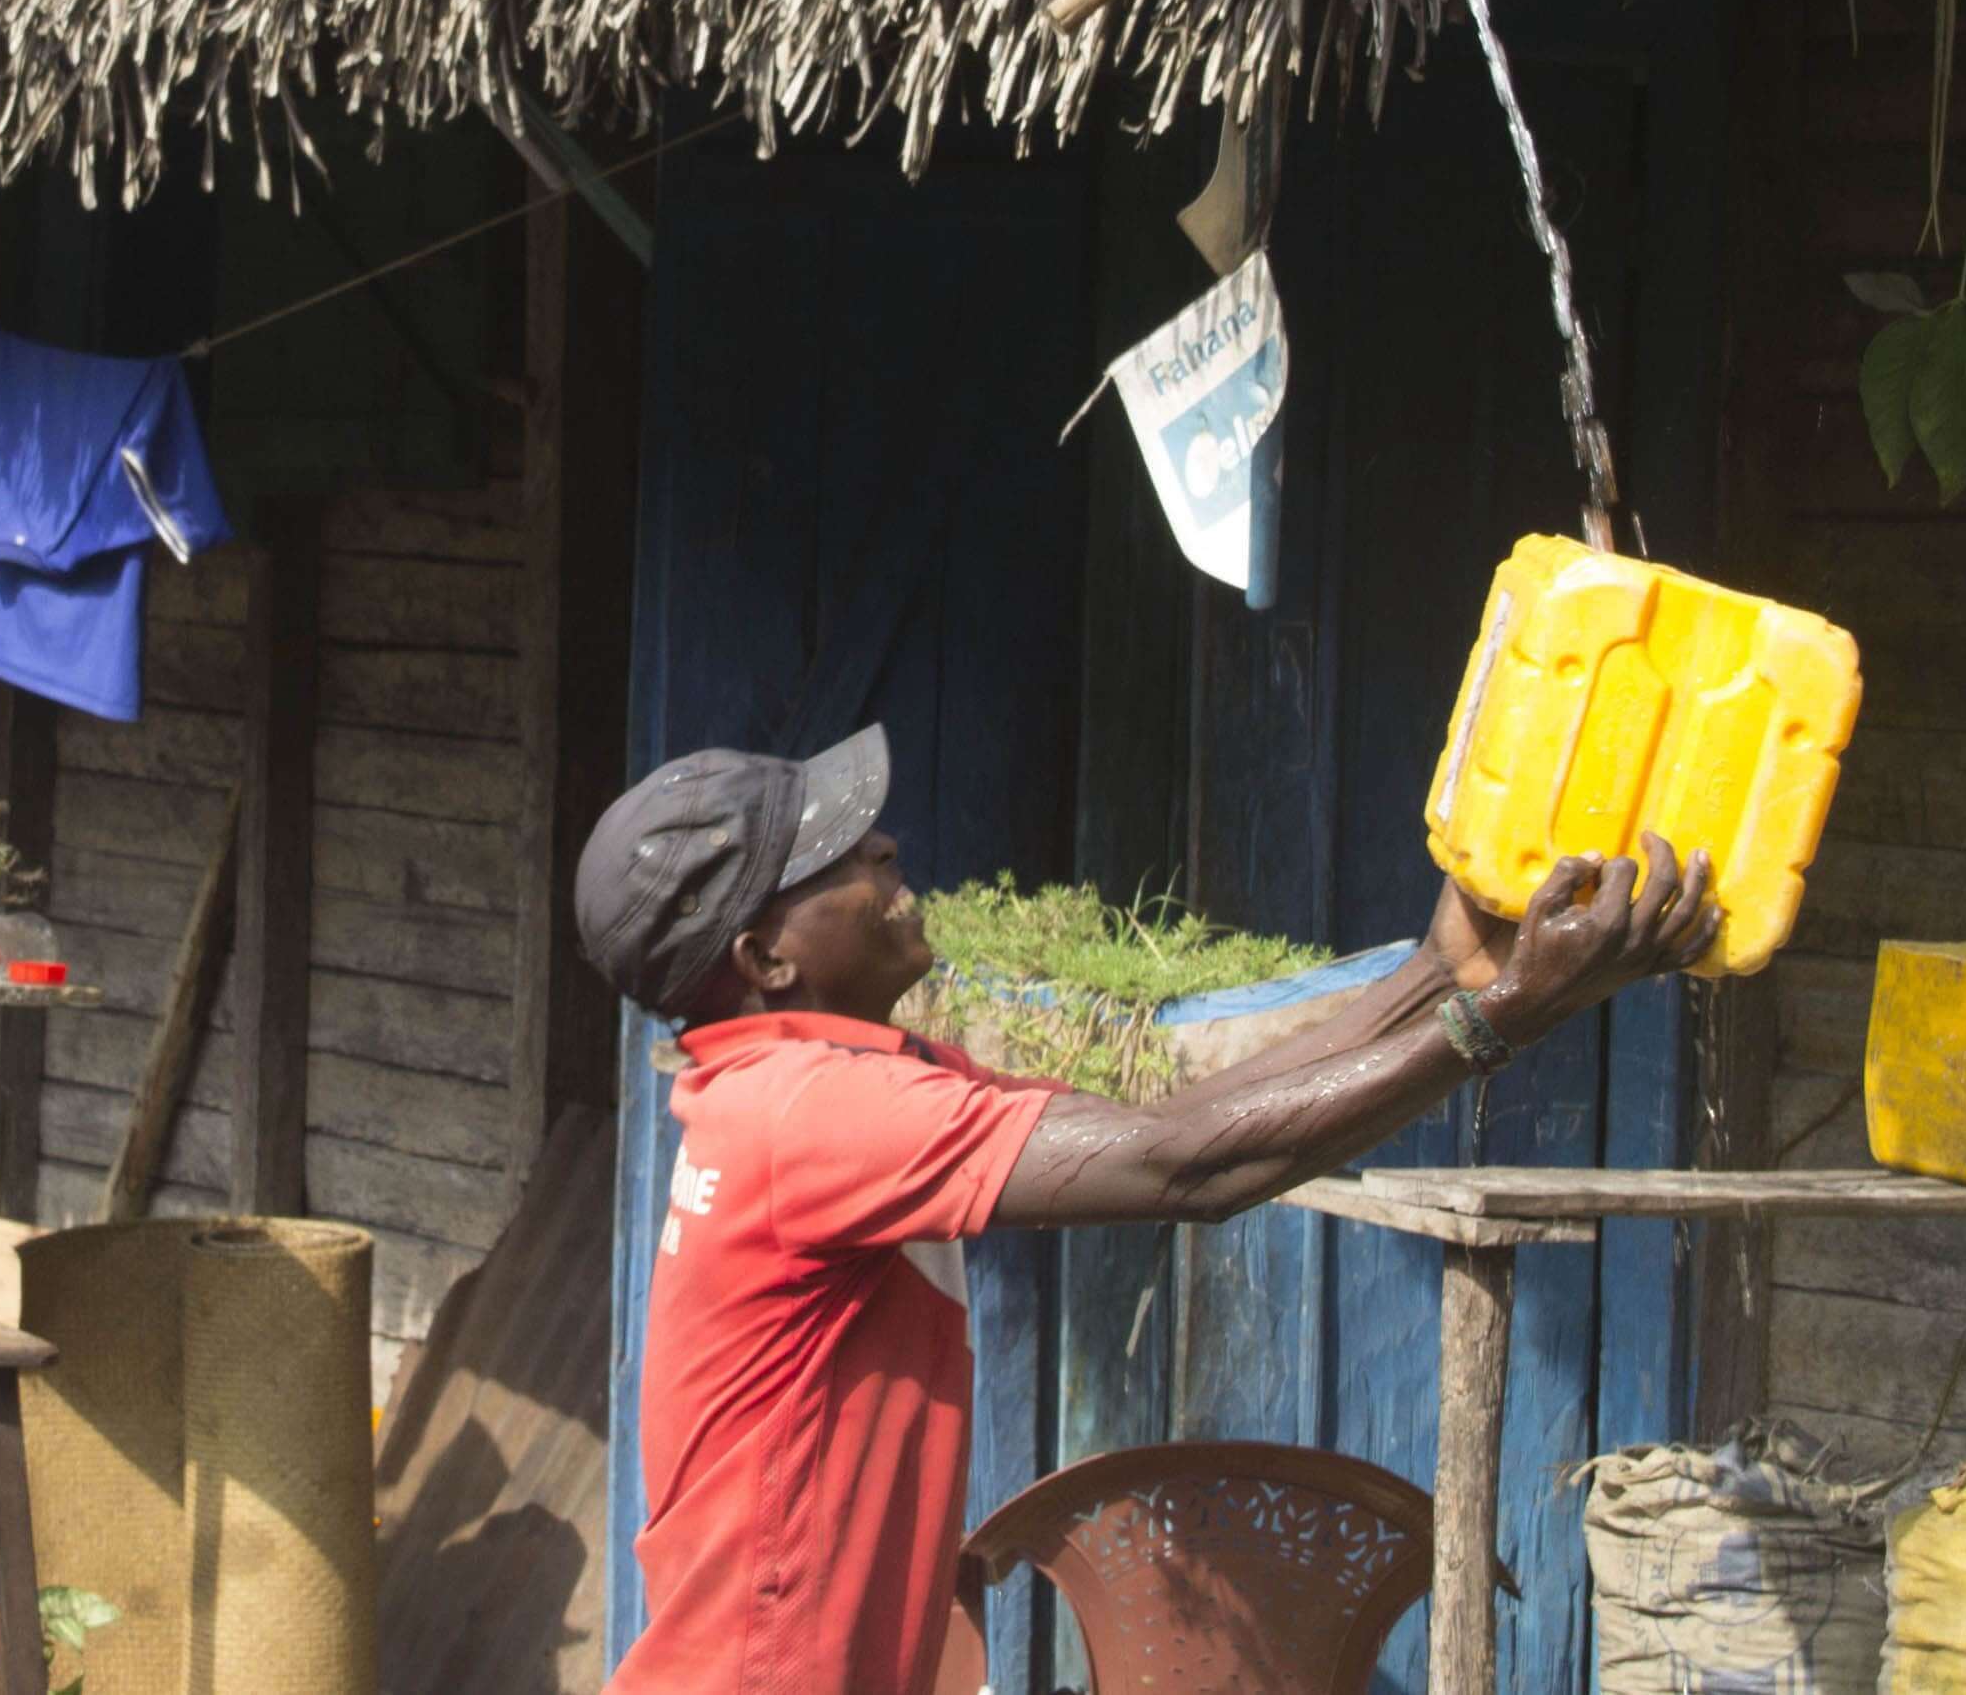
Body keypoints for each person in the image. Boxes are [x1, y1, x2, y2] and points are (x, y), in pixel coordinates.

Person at [575, 724, 1723, 1695]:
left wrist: (1441, 973)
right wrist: (1506, 1017)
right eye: (836, 857)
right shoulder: (813, 1111)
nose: (882, 844)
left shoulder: (810, 1084)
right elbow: (1191, 1172)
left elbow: (1174, 1121)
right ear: (765, 959)